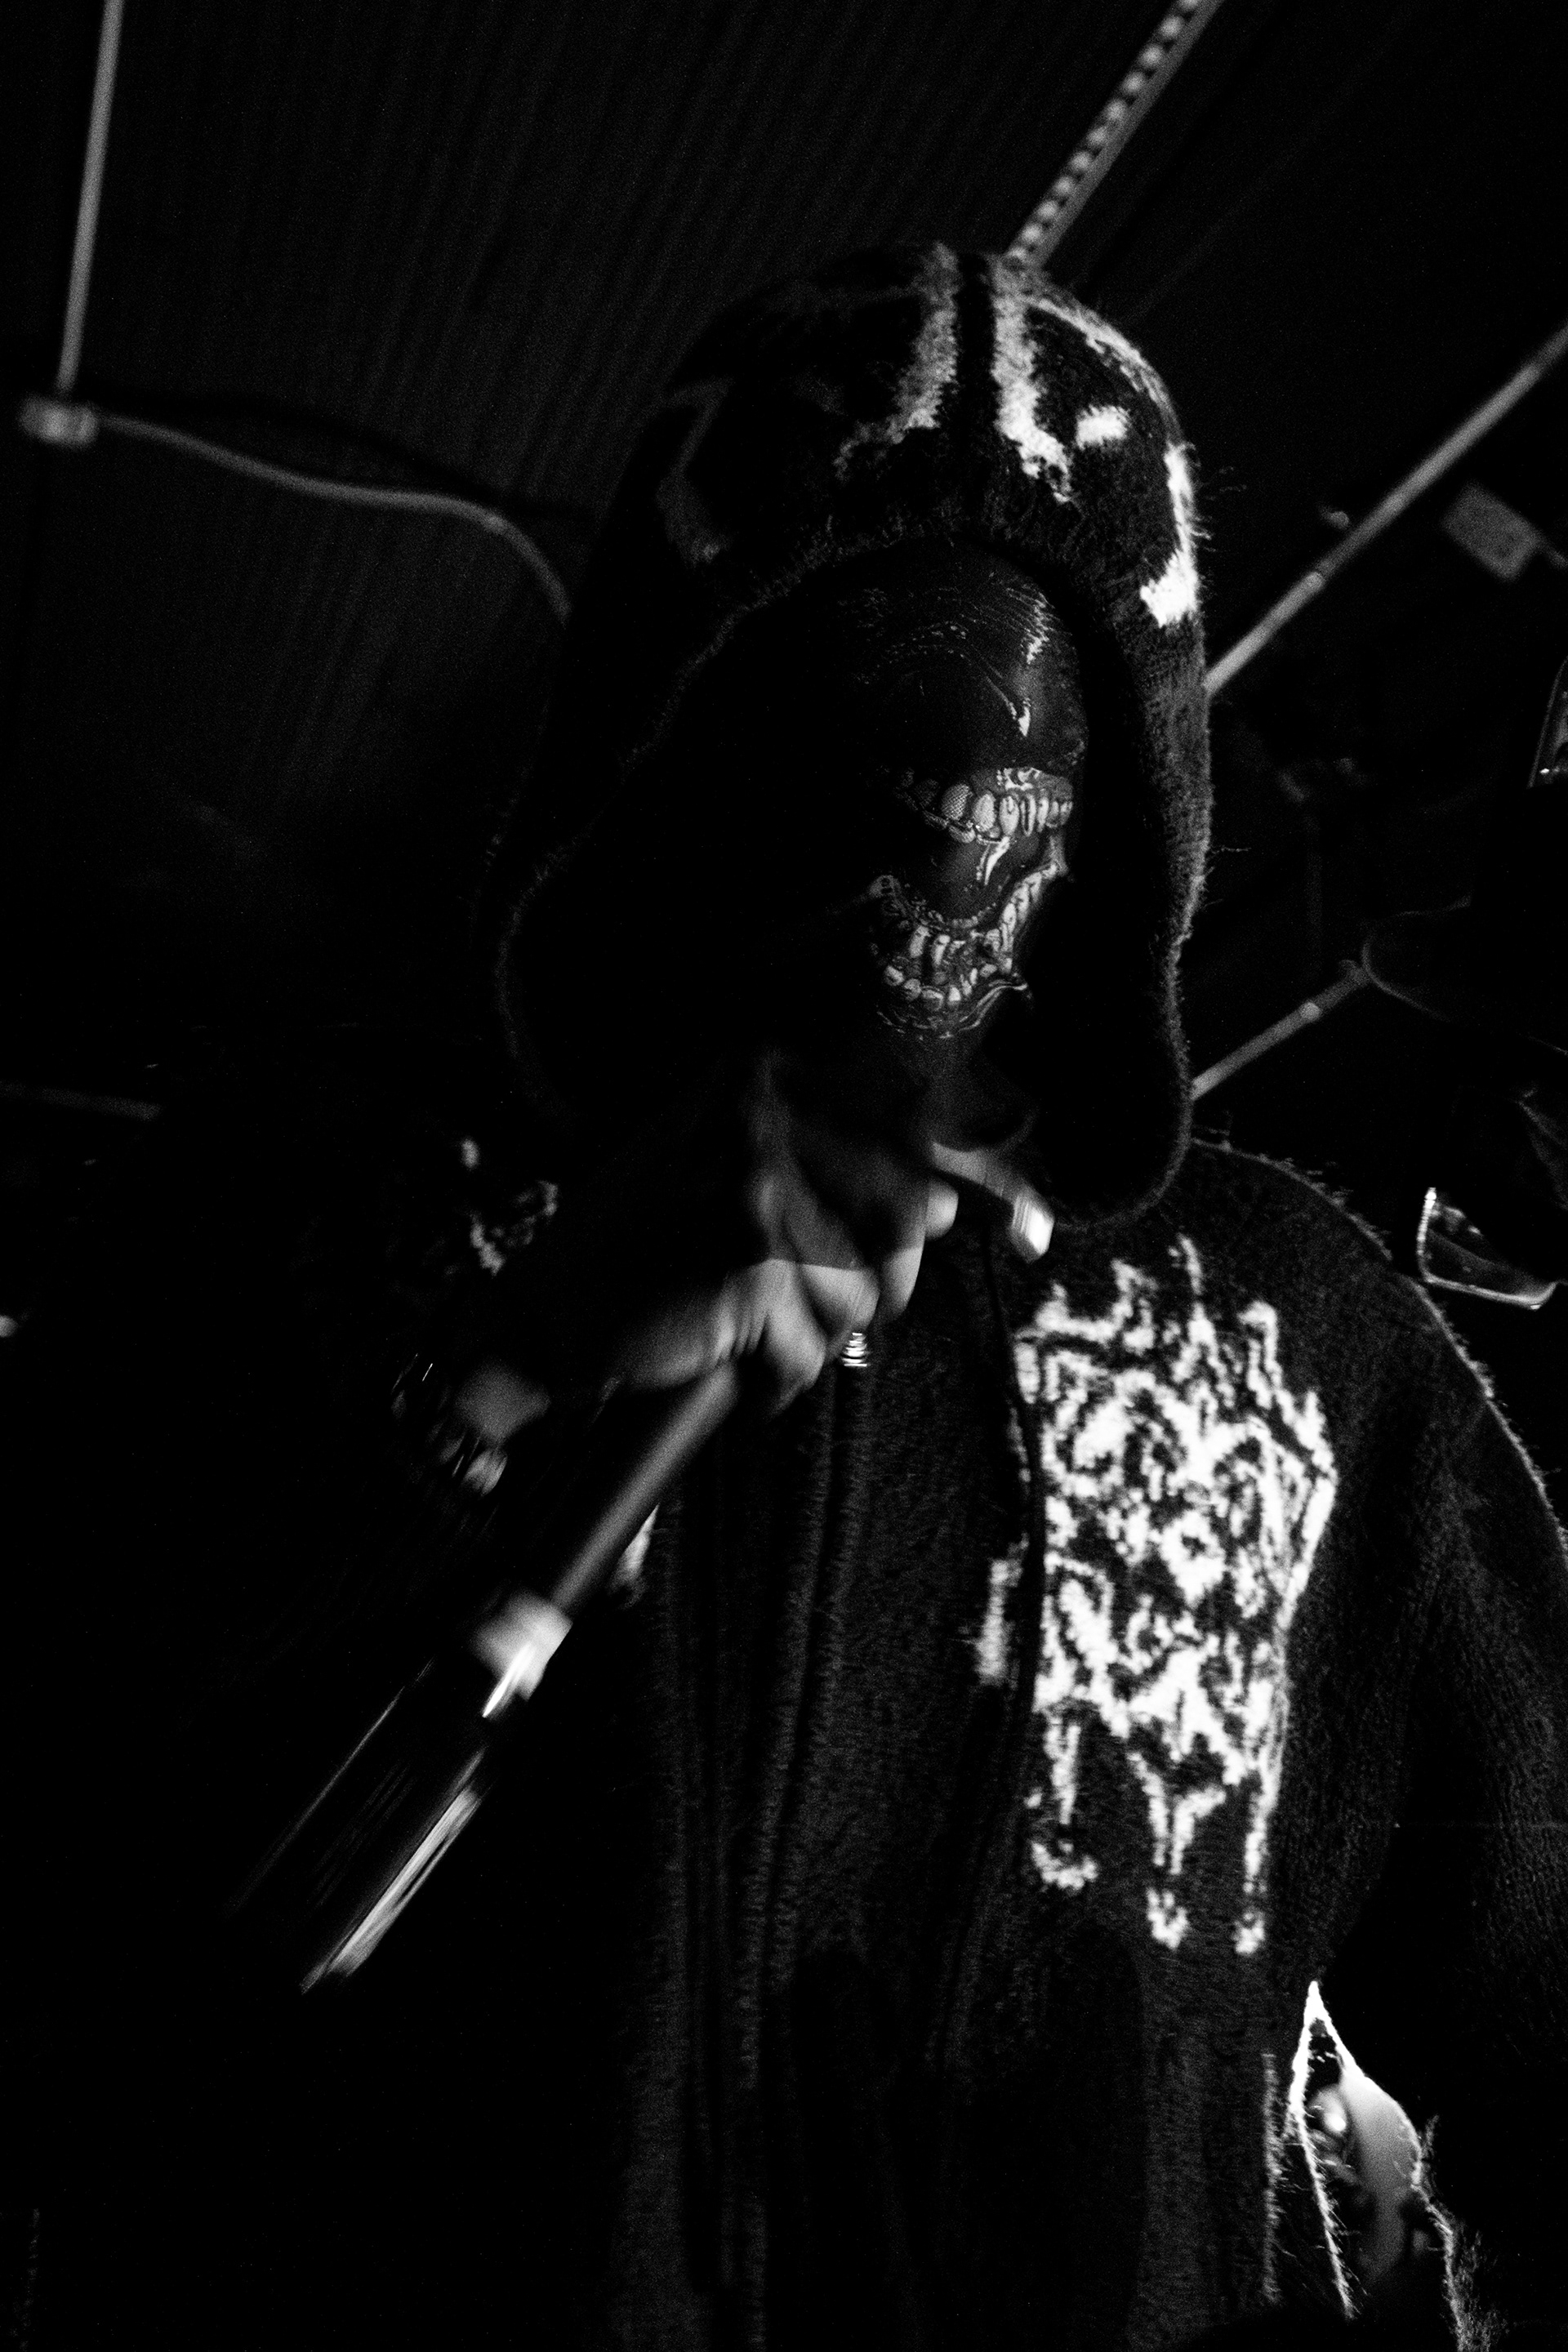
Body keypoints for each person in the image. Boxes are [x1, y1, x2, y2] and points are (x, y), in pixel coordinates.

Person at [7, 245, 1568, 2352]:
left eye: (1034, 752)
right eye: (830, 706)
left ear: (1133, 815)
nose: (937, 839)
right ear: (664, 729)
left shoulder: (1301, 1340)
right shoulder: (311, 1198)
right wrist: (483, 1379)